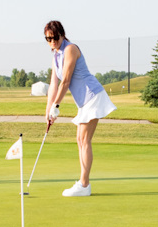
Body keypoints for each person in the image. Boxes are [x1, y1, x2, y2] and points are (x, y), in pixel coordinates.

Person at [44, 20, 116, 197]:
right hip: (84, 102)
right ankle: (83, 182)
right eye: (47, 39)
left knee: (84, 140)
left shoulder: (71, 49)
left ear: (61, 35)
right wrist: (48, 110)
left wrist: (57, 105)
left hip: (92, 95)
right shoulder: (56, 54)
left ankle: (84, 185)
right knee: (80, 140)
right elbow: (54, 84)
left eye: (54, 38)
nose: (51, 42)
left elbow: (66, 81)